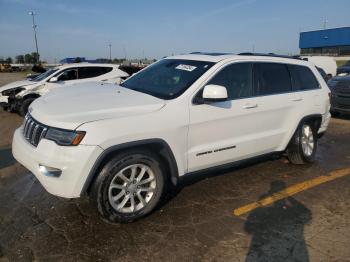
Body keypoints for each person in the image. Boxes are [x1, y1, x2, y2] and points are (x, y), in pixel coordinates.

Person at [244, 181, 312, 262]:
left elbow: (248, 228)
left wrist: (260, 204)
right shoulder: (291, 213)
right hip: (291, 255)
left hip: (266, 256)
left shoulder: (266, 213)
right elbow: (306, 215)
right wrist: (289, 198)